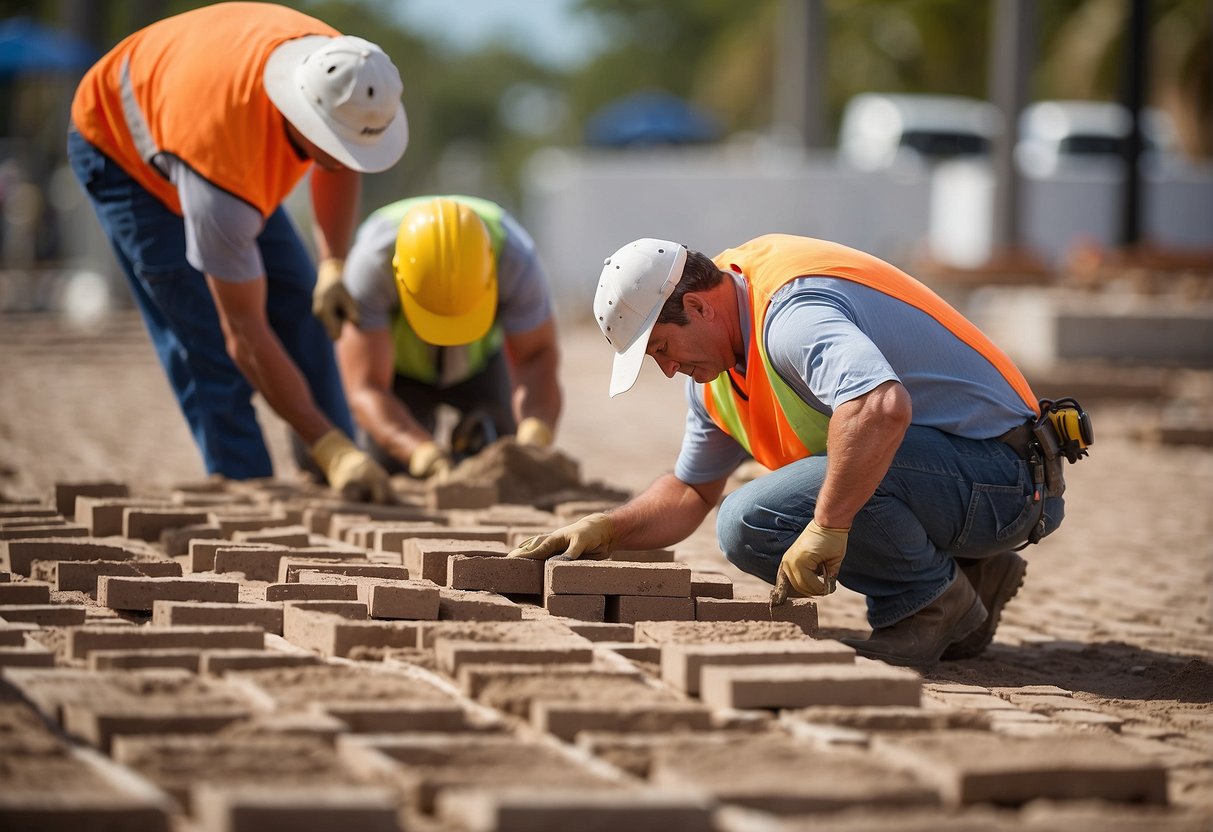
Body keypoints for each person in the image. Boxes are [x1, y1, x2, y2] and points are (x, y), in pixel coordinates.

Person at [511, 235, 1069, 667]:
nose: (668, 368)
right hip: (960, 479)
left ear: (701, 307)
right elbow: (689, 490)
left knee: (755, 515)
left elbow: (881, 409)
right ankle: (971, 576)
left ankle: (932, 604)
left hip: (1011, 479)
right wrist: (608, 529)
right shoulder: (714, 378)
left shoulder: (790, 317)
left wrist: (828, 525)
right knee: (750, 515)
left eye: (662, 347)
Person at [67, 2, 409, 502]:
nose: (344, 159)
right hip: (122, 148)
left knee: (302, 305)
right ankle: (248, 484)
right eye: (335, 147)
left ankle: (337, 468)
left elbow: (345, 158)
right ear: (307, 122)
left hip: (213, 121)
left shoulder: (344, 68)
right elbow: (242, 332)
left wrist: (331, 265)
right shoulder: (224, 178)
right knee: (203, 338)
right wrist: (329, 445)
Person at [335, 195, 562, 478]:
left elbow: (536, 354)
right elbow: (366, 386)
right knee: (387, 460)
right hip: (399, 372)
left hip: (478, 365)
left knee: (499, 449)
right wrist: (419, 450)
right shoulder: (371, 265)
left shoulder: (515, 259)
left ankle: (479, 427)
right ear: (399, 274)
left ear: (489, 270)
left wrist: (534, 431)